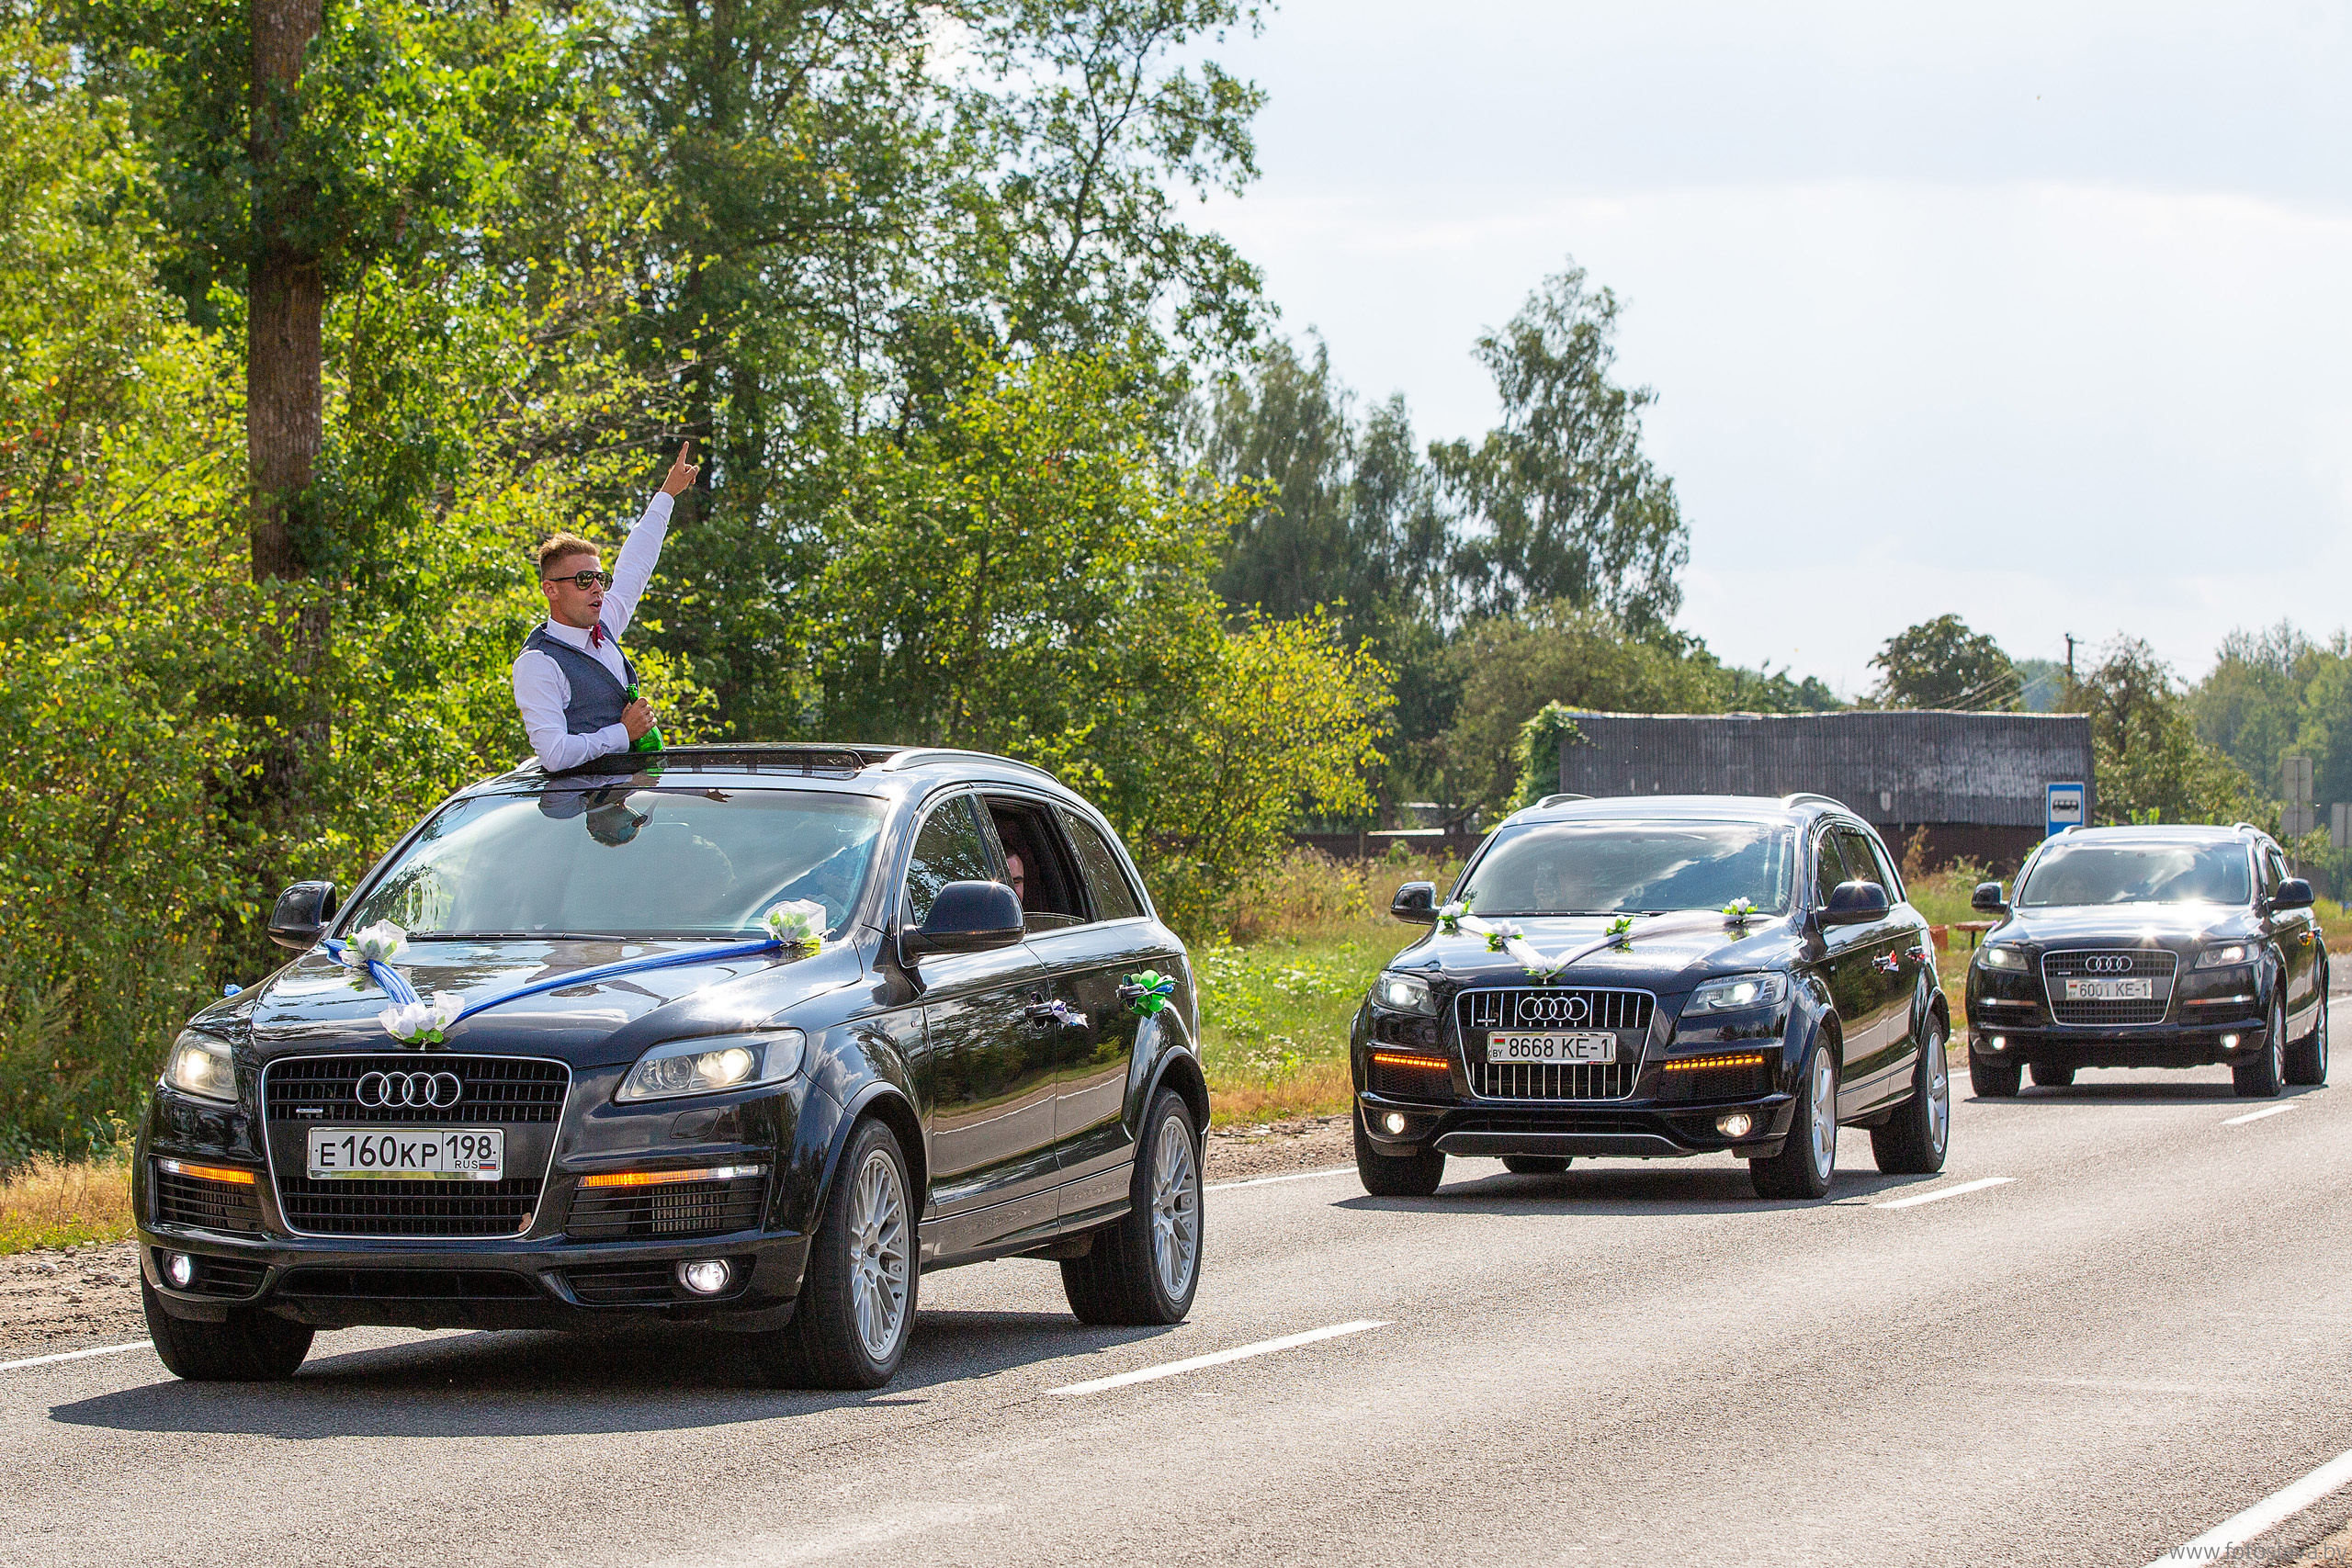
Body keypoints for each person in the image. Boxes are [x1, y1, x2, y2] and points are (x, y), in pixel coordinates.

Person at [511, 442, 699, 771]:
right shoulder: (537, 663)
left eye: (600, 578)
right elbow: (554, 755)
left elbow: (635, 565)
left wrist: (667, 493)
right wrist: (622, 733)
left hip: (631, 796)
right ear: (550, 590)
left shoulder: (604, 625)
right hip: (580, 812)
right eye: (584, 580)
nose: (597, 588)